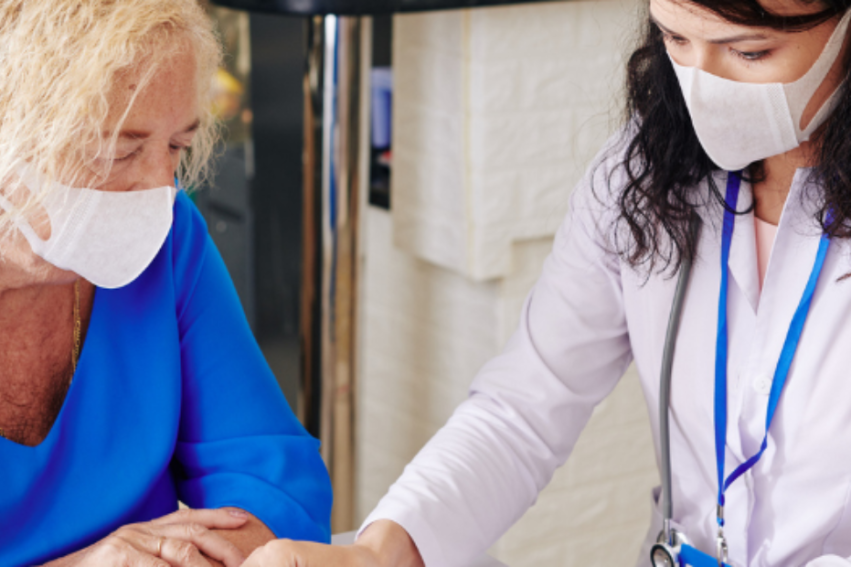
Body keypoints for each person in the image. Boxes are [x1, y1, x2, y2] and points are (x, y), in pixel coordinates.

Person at [239, 0, 851, 565]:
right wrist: (384, 550)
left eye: (749, 52)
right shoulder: (643, 175)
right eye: (676, 38)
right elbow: (524, 407)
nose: (703, 87)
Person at [0, 1, 332, 566]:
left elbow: (273, 476)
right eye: (117, 150)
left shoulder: (170, 241)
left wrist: (199, 554)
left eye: (176, 146)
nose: (159, 187)